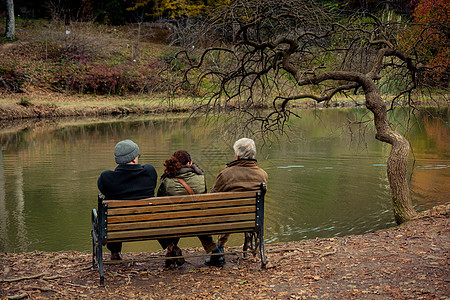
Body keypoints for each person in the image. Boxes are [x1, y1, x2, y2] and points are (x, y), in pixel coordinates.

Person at [206, 138, 268, 266]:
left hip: (229, 220)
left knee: (226, 211)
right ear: (253, 154)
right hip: (252, 220)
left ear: (237, 155)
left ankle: (219, 249)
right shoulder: (263, 175)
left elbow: (212, 198)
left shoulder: (226, 175)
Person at [97, 139, 157, 261]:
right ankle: (171, 247)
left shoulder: (107, 178)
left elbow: (103, 189)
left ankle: (115, 252)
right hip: (148, 224)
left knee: (110, 205)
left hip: (118, 226)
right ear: (134, 158)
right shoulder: (149, 172)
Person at [157, 150, 217, 267]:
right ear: (189, 163)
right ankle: (215, 252)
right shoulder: (201, 178)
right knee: (196, 215)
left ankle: (171, 247)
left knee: (163, 217)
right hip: (197, 222)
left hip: (174, 222)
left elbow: (160, 203)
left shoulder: (167, 181)